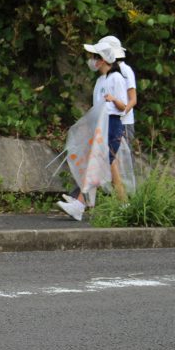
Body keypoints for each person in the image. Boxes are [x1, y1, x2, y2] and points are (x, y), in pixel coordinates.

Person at [57, 41, 128, 221]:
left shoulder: (117, 79)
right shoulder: (99, 81)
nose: (92, 60)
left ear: (104, 60)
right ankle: (124, 206)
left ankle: (79, 203)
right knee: (104, 166)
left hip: (112, 125)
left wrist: (112, 99)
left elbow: (123, 106)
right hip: (100, 125)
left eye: (96, 57)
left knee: (97, 164)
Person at [99, 36, 137, 146]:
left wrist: (120, 115)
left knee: (124, 157)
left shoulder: (125, 70)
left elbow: (133, 99)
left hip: (123, 122)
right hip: (109, 122)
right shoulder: (107, 72)